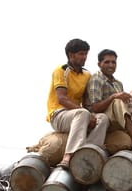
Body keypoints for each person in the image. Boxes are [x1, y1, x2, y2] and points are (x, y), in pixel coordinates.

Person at [46, 38, 109, 169]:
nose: (84, 57)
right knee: (82, 113)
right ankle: (69, 156)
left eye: (86, 54)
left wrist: (92, 115)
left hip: (78, 115)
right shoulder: (61, 71)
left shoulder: (86, 75)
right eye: (81, 54)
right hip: (59, 115)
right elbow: (62, 99)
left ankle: (88, 152)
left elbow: (86, 102)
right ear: (71, 55)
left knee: (103, 118)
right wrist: (86, 113)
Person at [85, 49, 132, 147]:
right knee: (117, 101)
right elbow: (95, 108)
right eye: (107, 62)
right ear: (99, 64)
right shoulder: (96, 79)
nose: (111, 65)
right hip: (99, 120)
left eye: (113, 62)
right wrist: (113, 97)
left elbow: (124, 109)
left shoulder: (118, 83)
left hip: (116, 121)